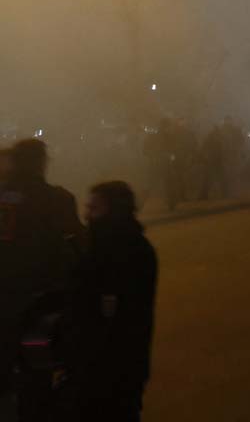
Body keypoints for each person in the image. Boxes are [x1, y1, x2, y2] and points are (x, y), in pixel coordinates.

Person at [0, 139, 83, 418]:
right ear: (41, 163)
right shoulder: (56, 198)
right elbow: (79, 245)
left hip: (6, 300)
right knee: (37, 371)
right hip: (42, 304)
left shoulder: (6, 197)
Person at [72, 180, 157, 421]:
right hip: (105, 365)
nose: (87, 215)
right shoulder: (104, 245)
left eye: (94, 209)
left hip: (113, 366)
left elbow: (114, 312)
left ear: (114, 211)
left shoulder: (125, 251)